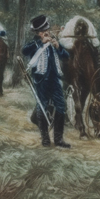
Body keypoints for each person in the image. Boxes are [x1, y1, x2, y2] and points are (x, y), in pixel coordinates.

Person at [21, 14, 71, 148]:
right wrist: (40, 43)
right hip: (40, 80)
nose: (46, 33)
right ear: (38, 33)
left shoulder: (53, 40)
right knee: (42, 107)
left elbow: (66, 56)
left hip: (54, 79)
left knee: (61, 105)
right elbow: (24, 51)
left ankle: (59, 139)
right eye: (43, 31)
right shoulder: (34, 43)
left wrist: (58, 46)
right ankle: (45, 139)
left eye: (47, 30)